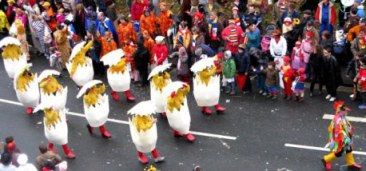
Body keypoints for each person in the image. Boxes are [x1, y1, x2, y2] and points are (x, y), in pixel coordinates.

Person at [322, 101, 362, 170]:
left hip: (344, 137)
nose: (346, 111)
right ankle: (326, 159)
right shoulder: (337, 119)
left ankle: (351, 163)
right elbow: (338, 131)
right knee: (339, 152)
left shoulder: (342, 117)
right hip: (340, 139)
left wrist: (350, 128)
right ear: (340, 111)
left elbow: (345, 125)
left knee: (348, 149)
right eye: (345, 110)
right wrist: (345, 138)